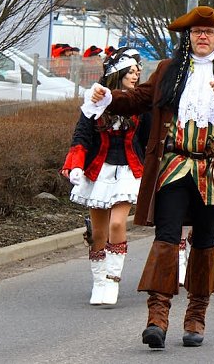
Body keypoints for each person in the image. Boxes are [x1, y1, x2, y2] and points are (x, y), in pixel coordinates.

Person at [87, 5, 214, 349]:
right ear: (188, 36)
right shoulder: (169, 69)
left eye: (210, 32)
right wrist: (110, 96)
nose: (203, 37)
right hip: (174, 165)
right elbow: (140, 99)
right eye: (197, 31)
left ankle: (196, 318)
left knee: (204, 241)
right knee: (167, 238)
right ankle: (156, 319)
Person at [62, 47, 149, 306]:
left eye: (137, 71)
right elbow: (82, 135)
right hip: (98, 171)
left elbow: (150, 139)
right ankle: (99, 282)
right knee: (98, 232)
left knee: (117, 224)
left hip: (129, 171)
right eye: (130, 72)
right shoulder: (94, 101)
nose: (135, 75)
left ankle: (112, 280)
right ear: (116, 74)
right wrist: (76, 165)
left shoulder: (140, 103)